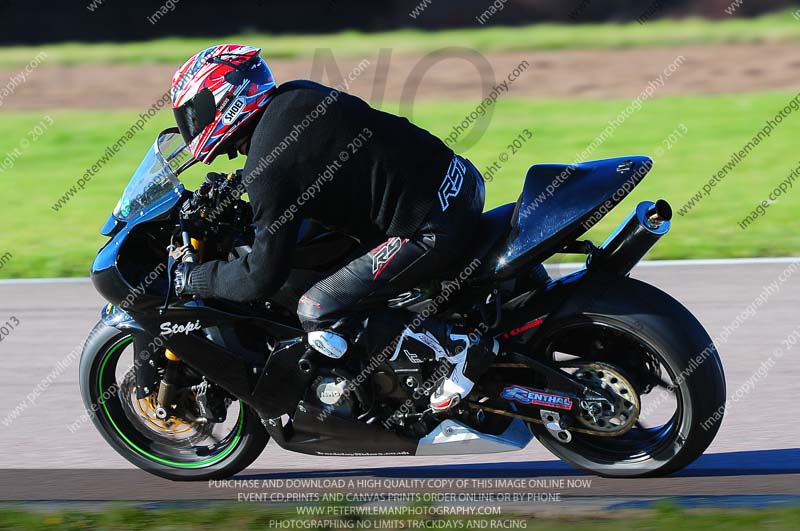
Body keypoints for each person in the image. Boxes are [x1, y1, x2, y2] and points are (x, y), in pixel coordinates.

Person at [170, 44, 497, 413]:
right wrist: (242, 188)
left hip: (427, 228)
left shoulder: (268, 167)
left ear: (224, 100)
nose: (191, 124)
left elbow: (259, 278)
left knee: (316, 305)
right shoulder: (297, 95)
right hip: (460, 183)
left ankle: (457, 348)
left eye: (193, 113)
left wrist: (194, 279)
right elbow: (314, 163)